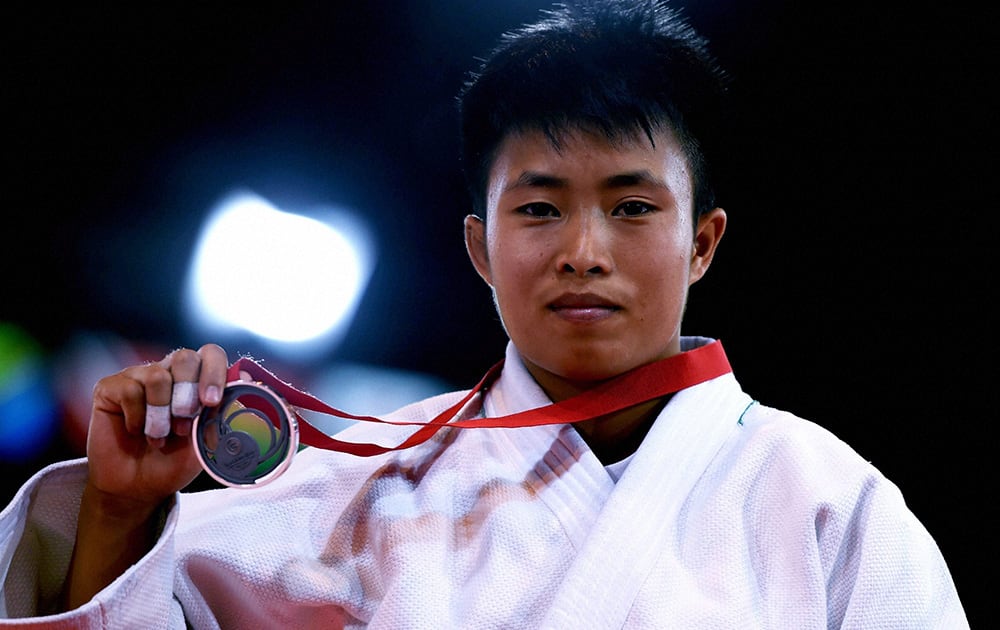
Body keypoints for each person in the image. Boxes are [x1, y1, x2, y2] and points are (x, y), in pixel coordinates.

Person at [0, 0, 968, 627]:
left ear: (703, 241)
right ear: (480, 248)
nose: (583, 251)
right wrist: (123, 512)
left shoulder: (834, 508)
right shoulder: (360, 485)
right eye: (539, 208)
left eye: (632, 208)